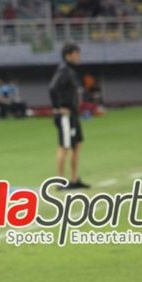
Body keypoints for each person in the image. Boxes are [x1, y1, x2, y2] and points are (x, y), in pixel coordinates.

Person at [49, 43, 90, 189]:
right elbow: (52, 88)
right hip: (65, 116)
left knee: (77, 143)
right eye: (76, 54)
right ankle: (60, 182)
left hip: (73, 114)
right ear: (68, 55)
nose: (79, 56)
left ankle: (74, 179)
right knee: (64, 146)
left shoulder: (71, 71)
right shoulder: (64, 70)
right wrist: (59, 107)